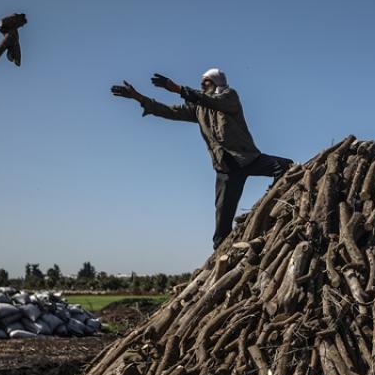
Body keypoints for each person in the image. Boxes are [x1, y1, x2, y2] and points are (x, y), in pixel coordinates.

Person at [110, 68, 294, 248]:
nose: (201, 85)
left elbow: (211, 101)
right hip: (226, 168)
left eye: (205, 82)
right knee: (222, 221)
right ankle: (220, 254)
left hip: (246, 158)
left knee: (286, 167)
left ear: (217, 83)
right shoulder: (199, 108)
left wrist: (178, 89)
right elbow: (169, 111)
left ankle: (273, 207)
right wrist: (138, 97)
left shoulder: (229, 96)